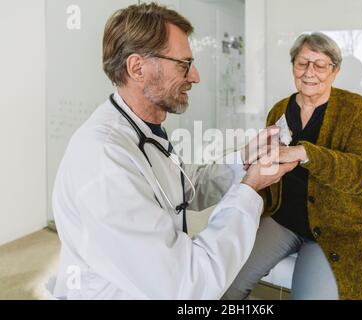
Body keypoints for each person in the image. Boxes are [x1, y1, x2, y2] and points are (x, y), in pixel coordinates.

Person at [47, 3, 296, 300]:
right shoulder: (103, 161)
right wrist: (251, 187)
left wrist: (245, 159)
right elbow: (188, 286)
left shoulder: (143, 130)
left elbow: (183, 186)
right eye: (184, 64)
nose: (196, 77)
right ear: (137, 68)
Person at [223, 32, 362, 300]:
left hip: (335, 228)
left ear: (335, 71)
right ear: (293, 66)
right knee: (225, 284)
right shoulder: (280, 109)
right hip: (284, 220)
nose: (309, 72)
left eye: (320, 65)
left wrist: (305, 152)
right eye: (302, 63)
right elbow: (270, 171)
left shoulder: (354, 109)